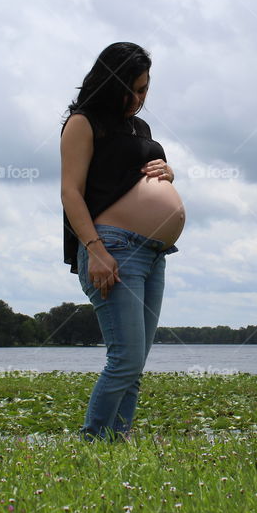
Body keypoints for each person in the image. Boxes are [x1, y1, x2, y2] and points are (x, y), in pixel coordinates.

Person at [60, 42, 186, 443]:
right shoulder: (84, 122)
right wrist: (95, 250)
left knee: (136, 363)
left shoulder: (140, 128)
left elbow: (134, 176)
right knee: (125, 359)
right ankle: (93, 442)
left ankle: (116, 443)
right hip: (112, 248)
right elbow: (70, 192)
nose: (138, 98)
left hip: (153, 254)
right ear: (110, 83)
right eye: (131, 89)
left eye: (145, 89)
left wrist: (167, 172)